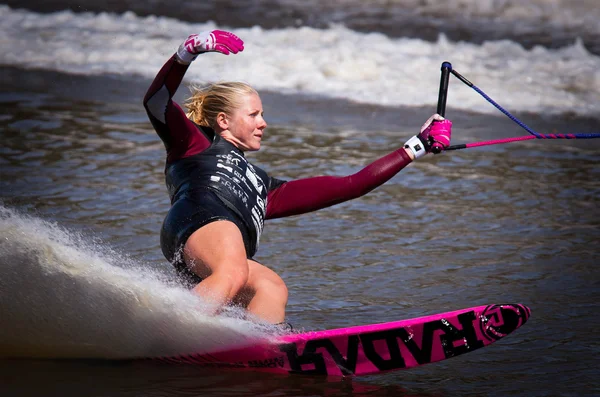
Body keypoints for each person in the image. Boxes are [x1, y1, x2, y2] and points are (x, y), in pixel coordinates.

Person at [143, 30, 452, 325]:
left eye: (262, 115)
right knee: (234, 270)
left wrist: (418, 145)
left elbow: (351, 185)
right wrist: (187, 53)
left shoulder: (264, 188)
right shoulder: (195, 143)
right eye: (254, 115)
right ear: (223, 120)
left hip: (211, 252)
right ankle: (171, 334)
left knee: (270, 286)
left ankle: (261, 346)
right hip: (196, 224)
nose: (263, 124)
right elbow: (156, 102)